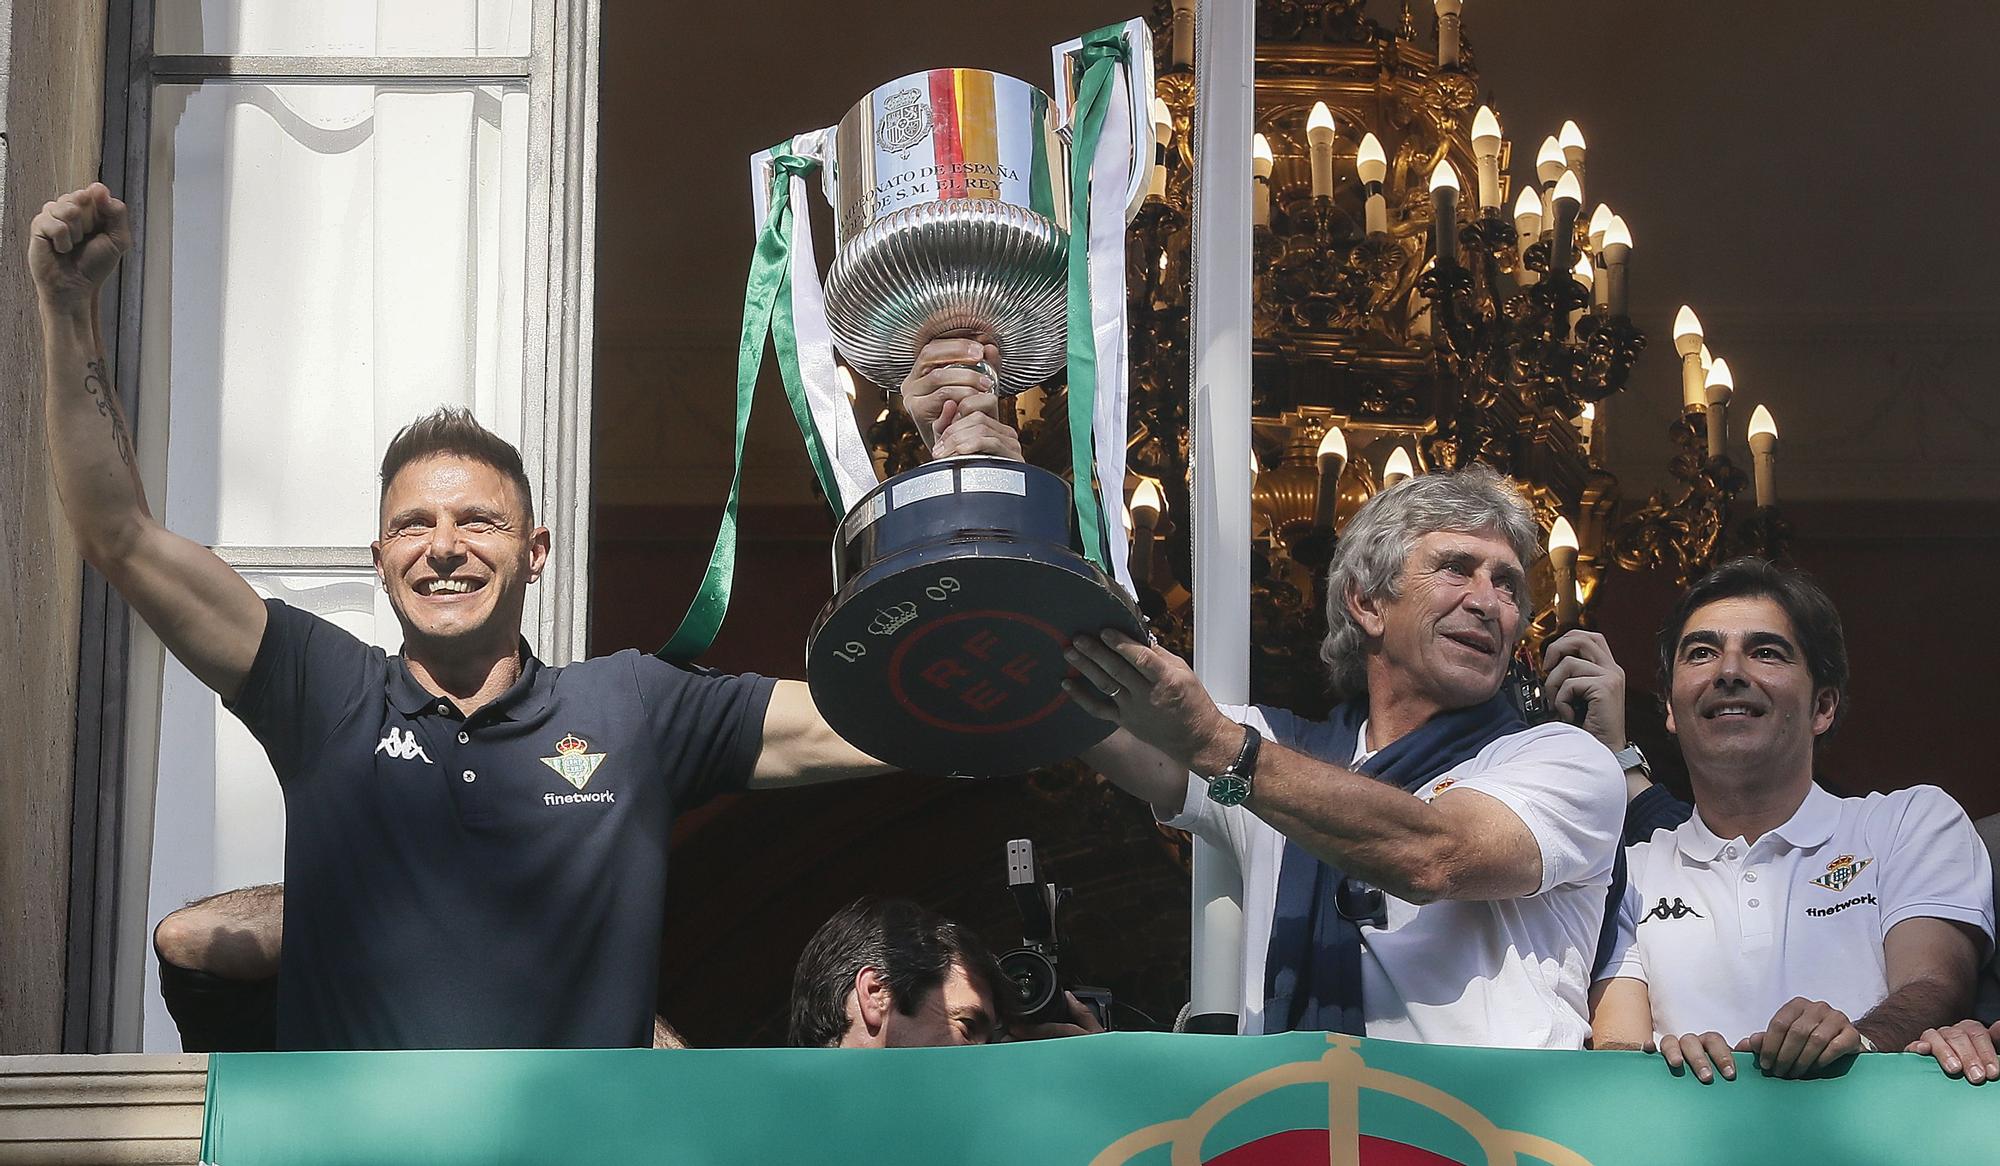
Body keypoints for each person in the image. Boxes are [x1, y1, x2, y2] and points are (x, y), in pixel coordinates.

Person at [30, 183, 1011, 1051]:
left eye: (478, 520)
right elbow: (120, 536)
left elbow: (891, 716)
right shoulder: (321, 689)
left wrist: (967, 470)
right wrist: (67, 310)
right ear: (380, 560)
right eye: (412, 524)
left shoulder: (630, 704)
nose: (443, 544)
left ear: (534, 551)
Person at [1066, 466, 1626, 1046]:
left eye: (1507, 583)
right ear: (1367, 602)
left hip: (1488, 1131)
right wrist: (987, 490)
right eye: (1457, 568)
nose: (1489, 602)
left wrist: (1217, 745)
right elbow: (1074, 699)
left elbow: (1435, 854)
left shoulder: (1565, 758)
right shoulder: (1276, 751)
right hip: (1303, 1125)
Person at [1588, 559, 1995, 1082]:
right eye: (1702, 653)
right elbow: (1616, 1049)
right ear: (1669, 706)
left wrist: (1856, 1042)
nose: (1729, 672)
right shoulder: (1626, 874)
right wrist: (1665, 1070)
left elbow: (1935, 989)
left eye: (1765, 652)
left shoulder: (1908, 822)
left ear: (1822, 707)